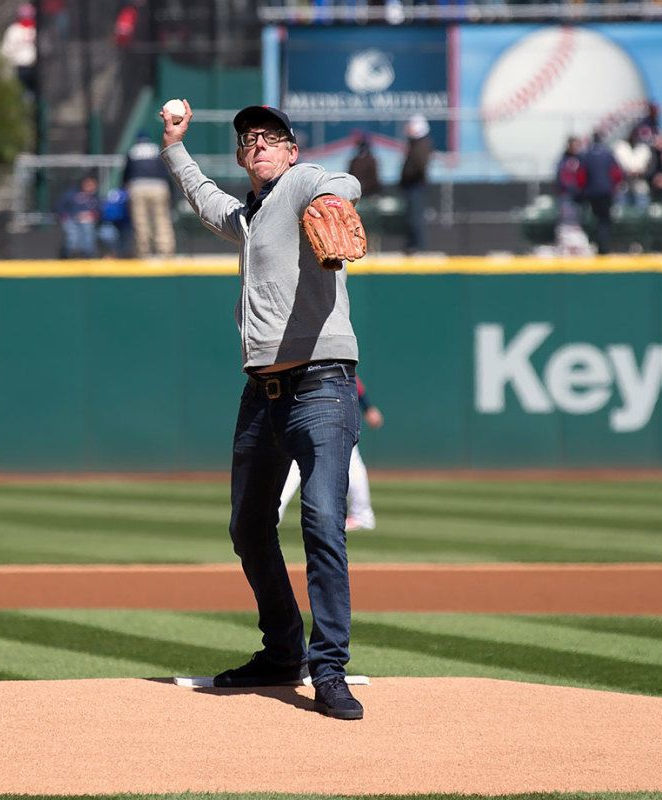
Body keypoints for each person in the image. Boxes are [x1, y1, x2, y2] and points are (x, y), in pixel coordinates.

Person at [159, 100, 365, 720]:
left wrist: (331, 199)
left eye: (270, 138)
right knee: (249, 527)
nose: (258, 146)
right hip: (262, 395)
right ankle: (283, 652)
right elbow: (202, 196)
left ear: (291, 150)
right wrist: (174, 146)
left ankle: (328, 670)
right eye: (249, 140)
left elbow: (343, 182)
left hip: (322, 386)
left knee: (323, 520)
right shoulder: (248, 215)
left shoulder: (303, 184)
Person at [278, 375, 384, 531]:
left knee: (294, 462)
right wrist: (367, 407)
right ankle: (362, 515)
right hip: (338, 404)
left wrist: (367, 407)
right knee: (352, 461)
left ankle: (273, 515)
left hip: (321, 405)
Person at [123, 131, 176, 259]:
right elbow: (167, 171)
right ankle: (165, 251)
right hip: (159, 186)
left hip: (138, 186)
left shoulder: (132, 151)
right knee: (162, 219)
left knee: (140, 221)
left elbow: (126, 174)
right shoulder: (156, 149)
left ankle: (143, 252)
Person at [578, 132, 623, 255]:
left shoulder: (586, 155)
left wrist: (584, 190)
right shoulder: (607, 154)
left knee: (597, 220)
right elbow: (617, 174)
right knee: (604, 221)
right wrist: (614, 187)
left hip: (592, 193)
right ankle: (604, 248)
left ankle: (600, 246)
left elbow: (581, 177)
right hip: (606, 192)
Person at [399, 113, 433, 255]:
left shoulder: (421, 145)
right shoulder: (415, 144)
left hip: (415, 186)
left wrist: (408, 176)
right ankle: (413, 245)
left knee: (415, 217)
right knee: (411, 217)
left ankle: (418, 246)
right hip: (411, 185)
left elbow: (419, 166)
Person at [553, 135, 589, 255]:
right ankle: (565, 249)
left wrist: (581, 190)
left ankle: (579, 249)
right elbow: (561, 179)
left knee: (578, 225)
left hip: (580, 197)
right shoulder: (563, 160)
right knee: (566, 225)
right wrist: (572, 189)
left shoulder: (582, 159)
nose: (575, 147)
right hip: (567, 197)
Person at [56, 176, 101, 258]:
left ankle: (88, 256)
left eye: (92, 184)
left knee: (88, 236)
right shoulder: (71, 193)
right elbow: (61, 207)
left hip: (89, 222)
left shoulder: (96, 197)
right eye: (88, 184)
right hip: (72, 220)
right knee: (73, 237)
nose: (90, 186)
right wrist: (70, 216)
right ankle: (68, 255)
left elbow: (100, 210)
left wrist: (91, 215)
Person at [0, 3, 37, 99]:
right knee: (22, 94)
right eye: (25, 16)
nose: (27, 18)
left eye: (29, 16)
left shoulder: (37, 29)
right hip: (20, 67)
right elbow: (6, 50)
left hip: (36, 67)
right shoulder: (14, 30)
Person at [347, 130, 382, 199]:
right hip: (358, 192)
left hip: (367, 192)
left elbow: (373, 178)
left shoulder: (368, 160)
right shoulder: (355, 160)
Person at [98, 186, 130, 257]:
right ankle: (110, 255)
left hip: (124, 224)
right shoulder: (119, 193)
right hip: (112, 223)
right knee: (109, 239)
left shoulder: (115, 192)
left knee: (124, 246)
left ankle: (117, 255)